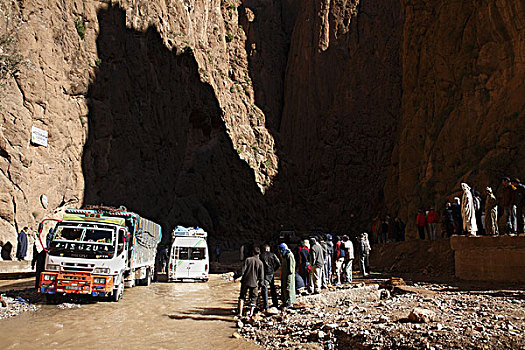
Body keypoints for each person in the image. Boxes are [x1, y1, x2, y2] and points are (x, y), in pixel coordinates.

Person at [236, 246, 264, 317]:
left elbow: (242, 271)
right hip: (254, 283)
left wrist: (236, 276)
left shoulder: (247, 260)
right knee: (253, 298)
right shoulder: (260, 263)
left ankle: (240, 313)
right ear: (259, 253)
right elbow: (261, 276)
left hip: (245, 281)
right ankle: (251, 314)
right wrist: (261, 284)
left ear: (252, 252)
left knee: (242, 297)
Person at [259, 244, 280, 310]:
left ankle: (266, 306)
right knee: (273, 288)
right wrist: (274, 269)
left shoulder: (261, 256)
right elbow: (278, 263)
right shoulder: (273, 255)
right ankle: (275, 303)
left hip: (264, 274)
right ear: (268, 249)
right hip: (271, 273)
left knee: (265, 290)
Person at [279, 243, 296, 308]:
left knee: (289, 287)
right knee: (284, 287)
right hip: (284, 274)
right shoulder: (284, 255)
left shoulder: (289, 254)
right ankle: (285, 301)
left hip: (289, 275)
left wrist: (289, 273)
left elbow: (291, 266)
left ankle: (289, 302)